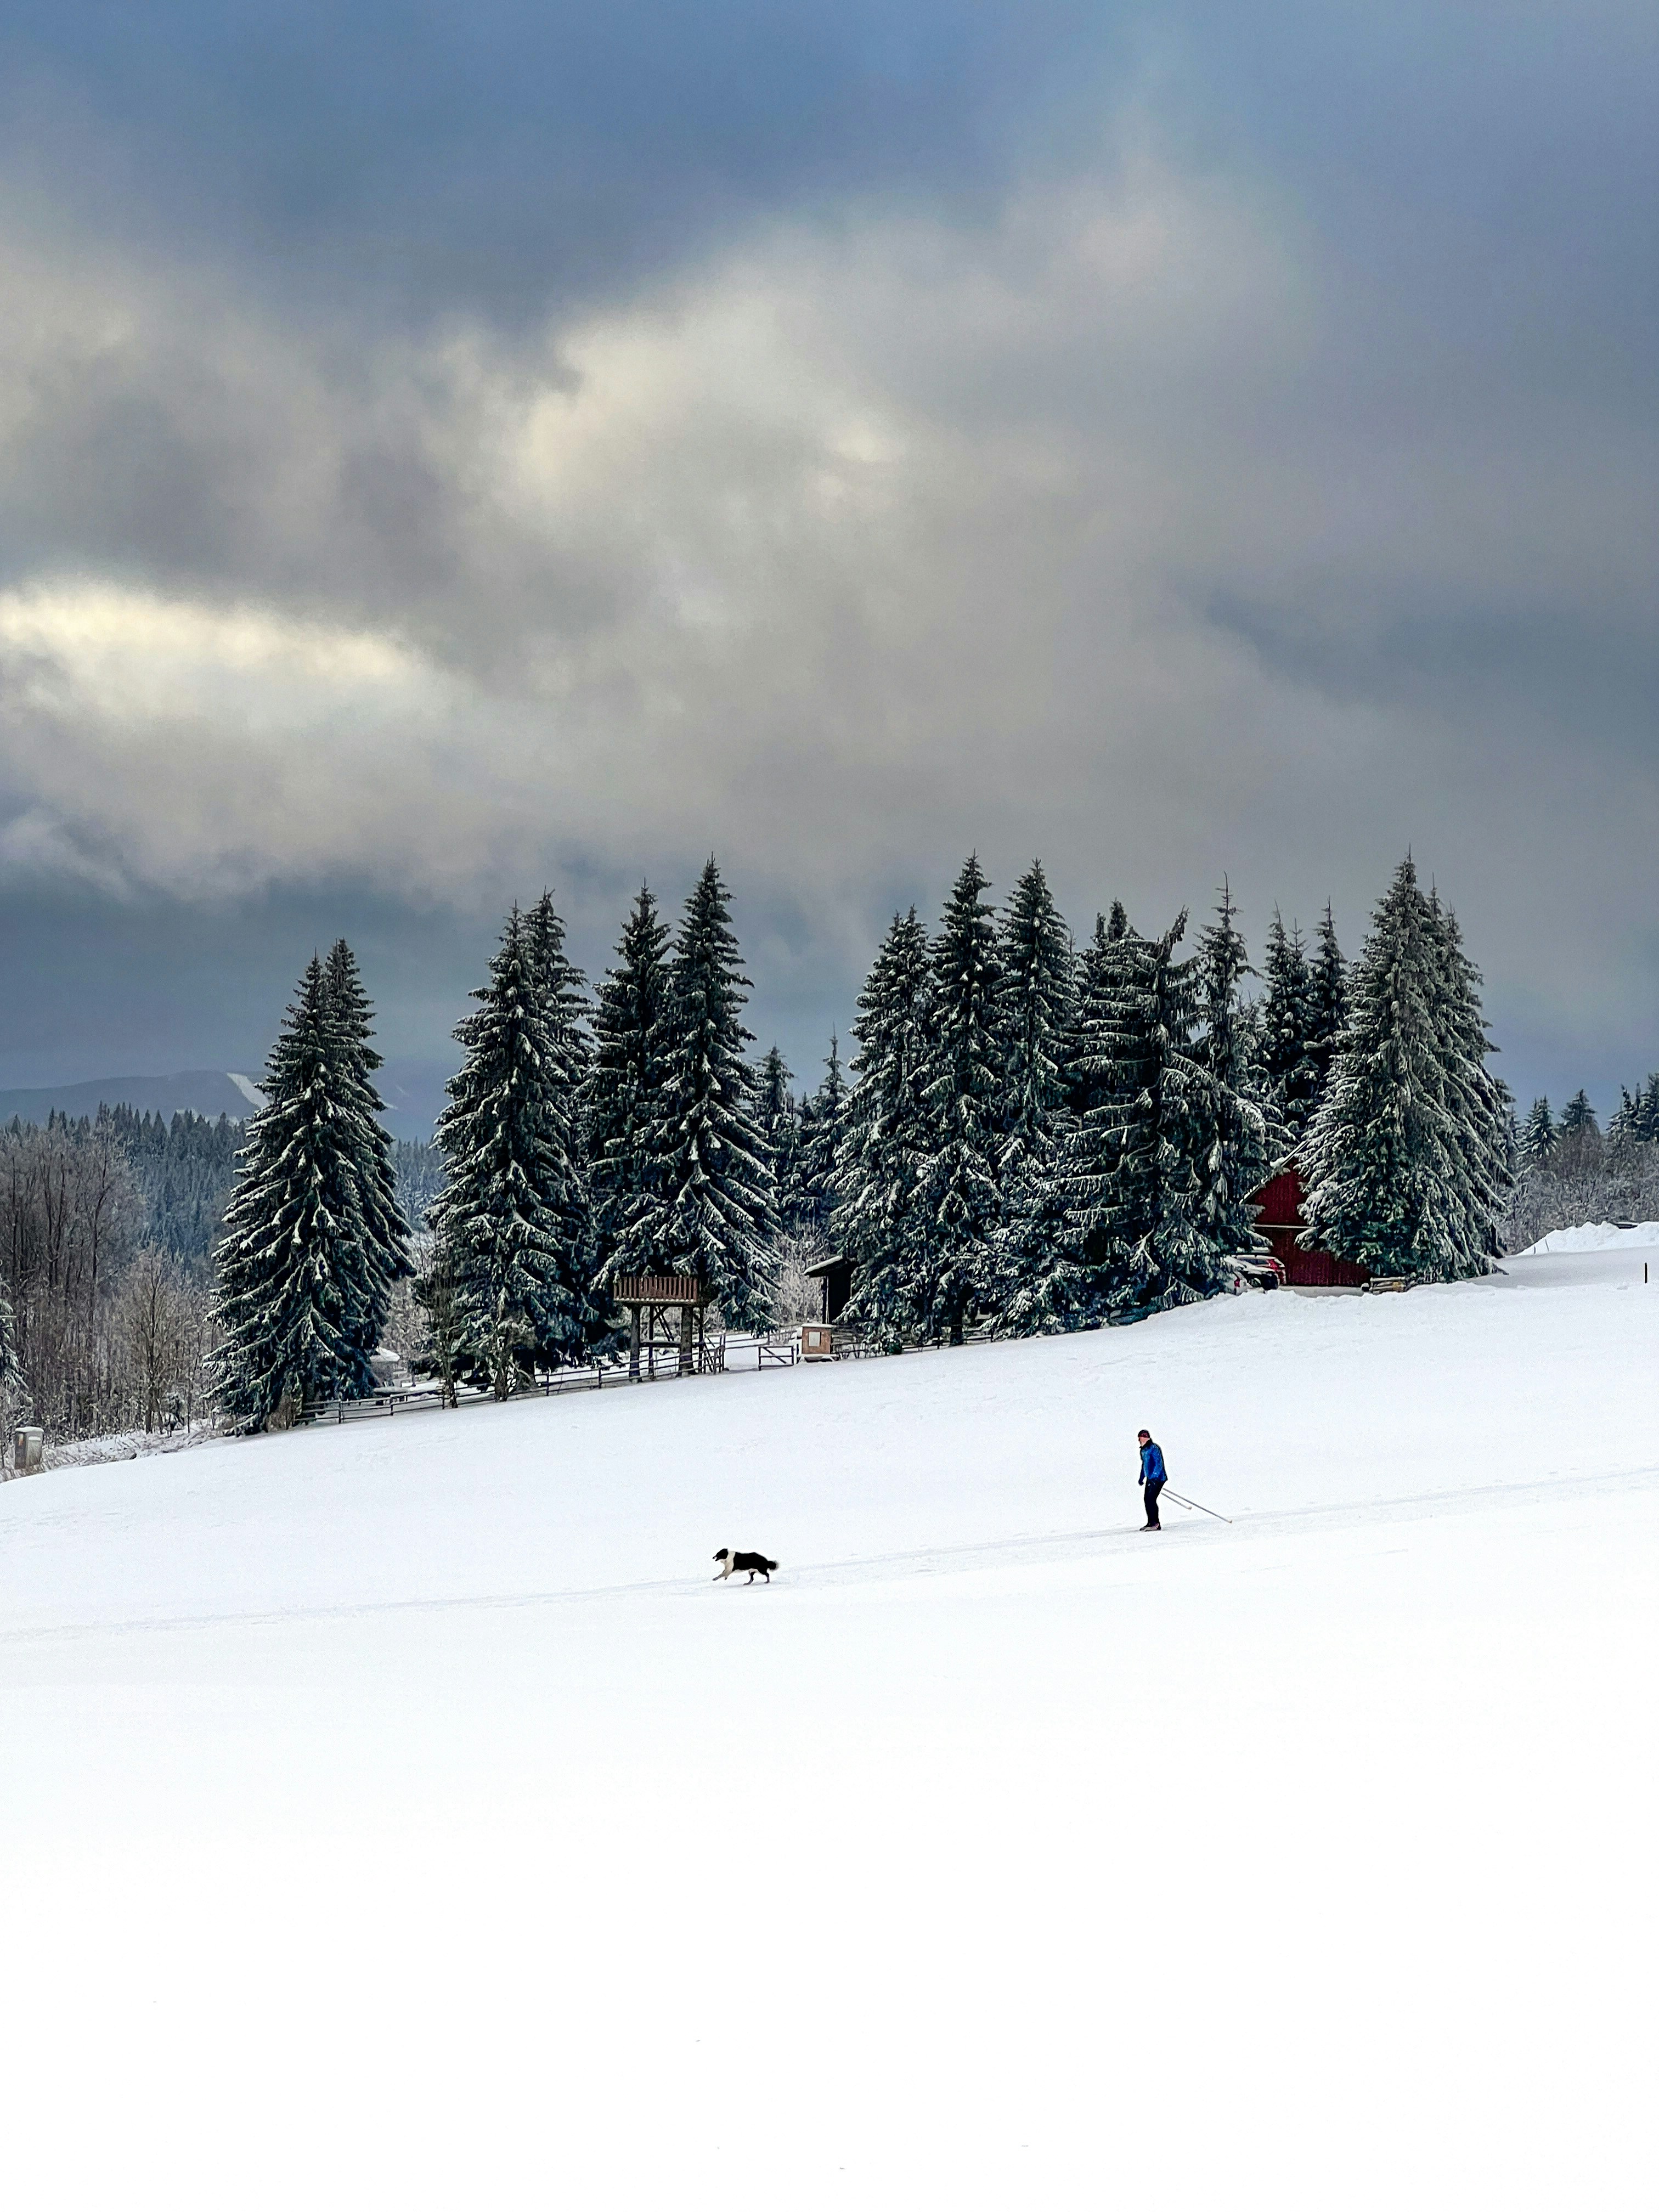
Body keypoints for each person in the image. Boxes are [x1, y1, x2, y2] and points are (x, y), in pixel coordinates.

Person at [1137, 1429, 1166, 1531]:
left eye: (1142, 1438)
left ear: (1147, 1438)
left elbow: (1159, 1464)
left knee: (1151, 1499)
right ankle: (1151, 1522)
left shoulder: (1154, 1448)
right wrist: (1142, 1478)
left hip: (1158, 1478)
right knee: (1147, 1499)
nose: (1140, 1440)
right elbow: (1144, 1465)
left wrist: (1155, 1477)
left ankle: (1155, 1523)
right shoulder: (1144, 1450)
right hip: (1151, 1479)